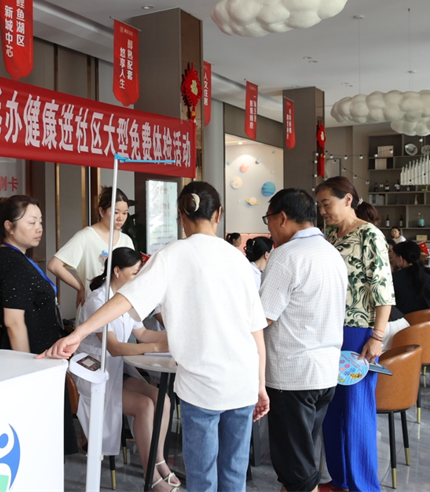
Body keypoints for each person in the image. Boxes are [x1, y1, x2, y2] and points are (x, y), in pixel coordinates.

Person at [40, 181, 269, 492]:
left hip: (201, 387)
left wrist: (78, 333)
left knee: (203, 479)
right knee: (233, 475)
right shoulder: (238, 259)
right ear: (219, 214)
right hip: (242, 382)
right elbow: (256, 332)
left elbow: (125, 299)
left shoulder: (172, 255)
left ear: (181, 216)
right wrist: (260, 385)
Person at [260, 188, 348, 492]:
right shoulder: (331, 253)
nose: (269, 228)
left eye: (268, 220)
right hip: (324, 373)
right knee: (300, 463)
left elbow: (263, 316)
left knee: (297, 471)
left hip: (292, 376)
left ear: (282, 218)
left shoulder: (287, 255)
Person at [73, 248, 179, 492]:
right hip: (95, 374)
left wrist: (175, 336)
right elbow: (115, 348)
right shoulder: (97, 302)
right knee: (145, 406)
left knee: (162, 400)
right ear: (117, 271)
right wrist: (157, 346)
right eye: (134, 273)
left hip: (117, 371)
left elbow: (143, 333)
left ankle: (159, 460)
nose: (137, 278)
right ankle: (151, 477)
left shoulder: (128, 299)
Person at [315, 176, 395, 492]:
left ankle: (364, 486)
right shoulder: (329, 236)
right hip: (329, 331)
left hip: (358, 333)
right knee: (332, 410)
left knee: (357, 412)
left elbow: (383, 291)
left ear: (347, 199)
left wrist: (377, 337)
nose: (323, 211)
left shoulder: (369, 235)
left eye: (327, 203)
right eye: (320, 205)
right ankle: (340, 480)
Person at [0, 195, 77, 455]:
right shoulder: (13, 261)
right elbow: (14, 322)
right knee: (39, 437)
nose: (39, 228)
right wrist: (27, 372)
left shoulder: (12, 257)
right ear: (9, 226)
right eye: (31, 222)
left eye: (40, 222)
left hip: (38, 353)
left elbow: (5, 305)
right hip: (31, 357)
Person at [47, 187, 134, 315]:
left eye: (125, 213)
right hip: (93, 308)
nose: (121, 218)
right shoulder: (86, 236)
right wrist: (80, 287)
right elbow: (54, 265)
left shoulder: (126, 240)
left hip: (119, 308)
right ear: (102, 211)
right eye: (116, 212)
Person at [391, 240, 430, 316]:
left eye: (395, 256)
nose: (393, 259)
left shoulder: (395, 278)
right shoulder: (428, 276)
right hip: (427, 320)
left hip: (404, 321)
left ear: (401, 258)